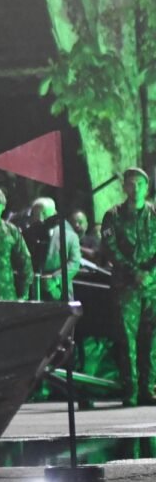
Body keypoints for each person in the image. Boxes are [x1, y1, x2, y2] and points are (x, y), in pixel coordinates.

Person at [101, 167, 156, 407]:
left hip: (152, 285)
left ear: (147, 187)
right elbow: (110, 248)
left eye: (140, 184)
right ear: (124, 187)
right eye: (131, 184)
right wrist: (135, 272)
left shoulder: (154, 214)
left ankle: (148, 388)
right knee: (126, 339)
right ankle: (130, 390)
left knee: (151, 339)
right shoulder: (112, 216)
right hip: (125, 287)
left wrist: (150, 273)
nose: (136, 189)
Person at [28, 196, 80, 302]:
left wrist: (55, 279)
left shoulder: (69, 236)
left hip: (59, 293)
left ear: (53, 213)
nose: (40, 218)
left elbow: (74, 263)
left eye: (43, 213)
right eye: (35, 214)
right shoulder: (29, 235)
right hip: (34, 293)